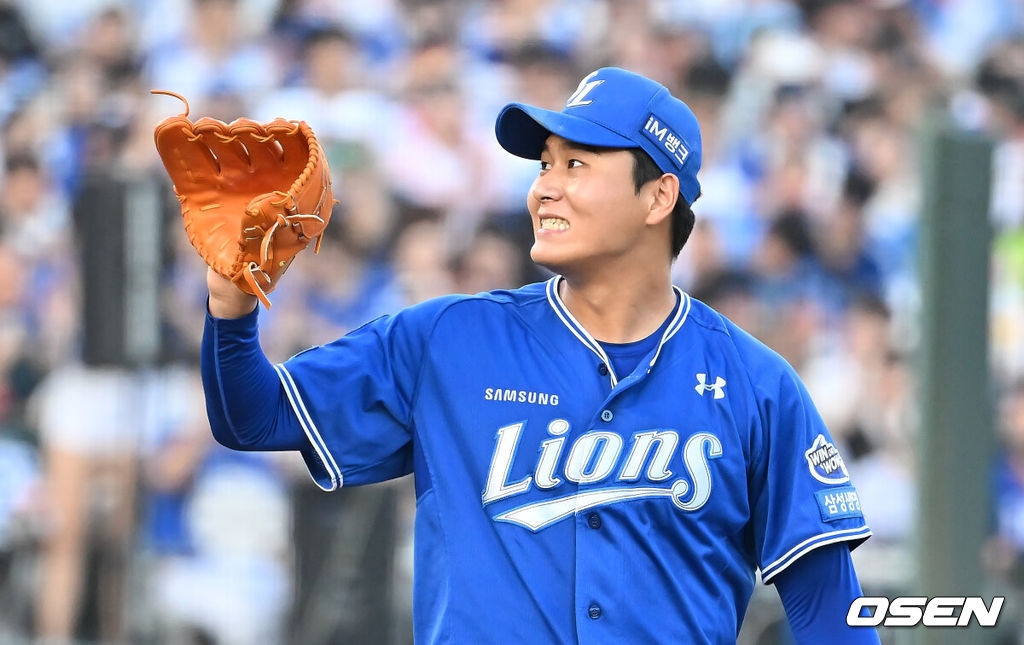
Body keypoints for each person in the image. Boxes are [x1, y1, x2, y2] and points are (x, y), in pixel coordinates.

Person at [200, 67, 879, 644]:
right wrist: (231, 314)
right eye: (545, 164)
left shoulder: (757, 385)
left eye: (576, 164)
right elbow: (255, 418)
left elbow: (829, 611)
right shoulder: (449, 339)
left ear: (659, 196)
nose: (544, 187)